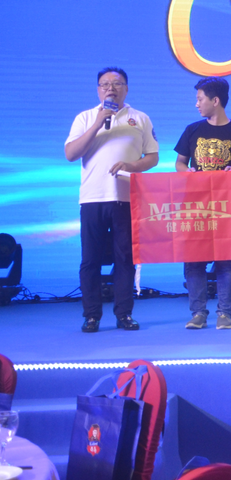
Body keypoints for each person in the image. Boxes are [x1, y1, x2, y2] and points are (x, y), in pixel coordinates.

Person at [65, 67, 158, 333]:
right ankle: (91, 315)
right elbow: (70, 154)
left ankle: (124, 314)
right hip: (92, 199)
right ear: (98, 89)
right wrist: (98, 123)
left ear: (126, 88)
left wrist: (132, 165)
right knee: (90, 260)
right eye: (105, 84)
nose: (110, 88)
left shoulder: (140, 118)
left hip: (126, 199)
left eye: (117, 83)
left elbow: (153, 157)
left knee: (125, 258)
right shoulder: (85, 118)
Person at [174, 77, 231, 329]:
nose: (196, 104)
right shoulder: (192, 130)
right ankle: (198, 313)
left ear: (215, 100)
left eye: (200, 99)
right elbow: (180, 163)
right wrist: (189, 174)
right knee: (193, 261)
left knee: (225, 261)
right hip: (195, 205)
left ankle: (224, 314)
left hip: (226, 207)